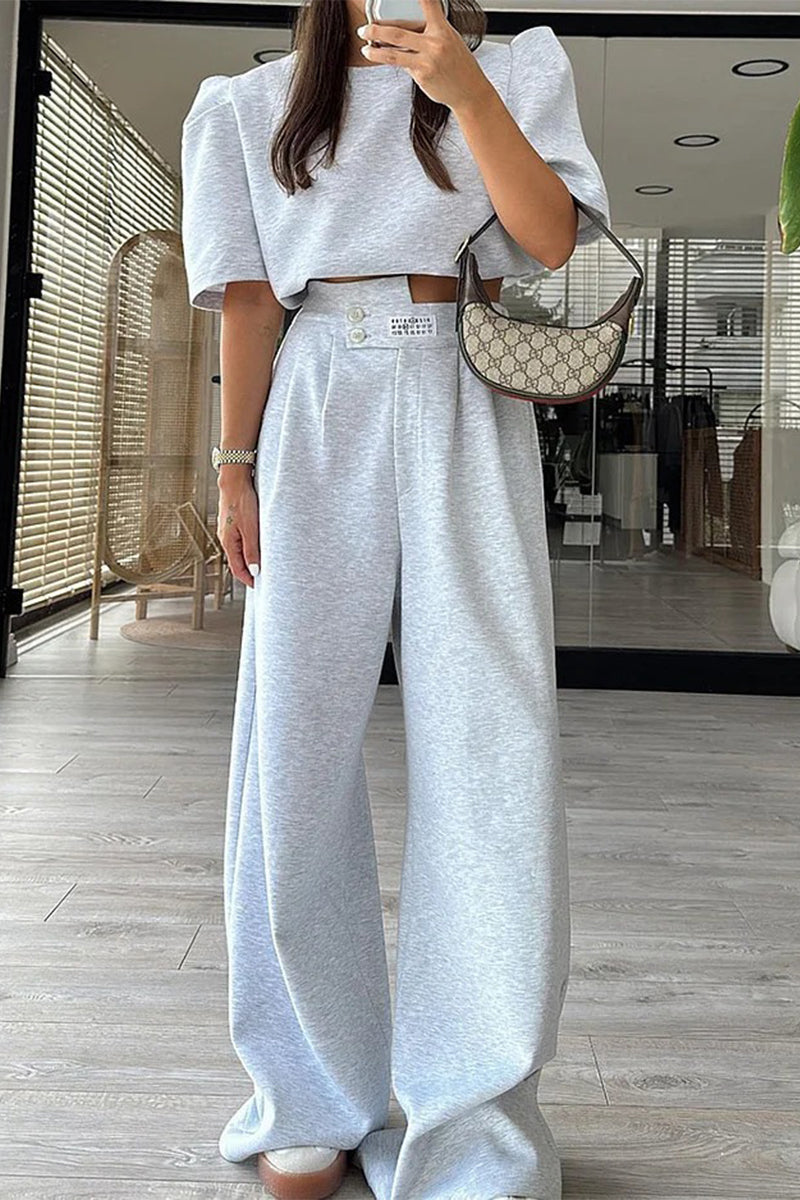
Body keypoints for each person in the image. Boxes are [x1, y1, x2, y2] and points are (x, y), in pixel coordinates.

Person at [180, 1, 609, 1197]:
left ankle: (474, 1122)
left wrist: (463, 87)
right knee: (292, 750)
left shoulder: (516, 69)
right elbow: (251, 300)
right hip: (315, 401)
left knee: (491, 750)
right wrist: (233, 465)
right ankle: (307, 1092)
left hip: (463, 390)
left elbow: (549, 242)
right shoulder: (245, 104)